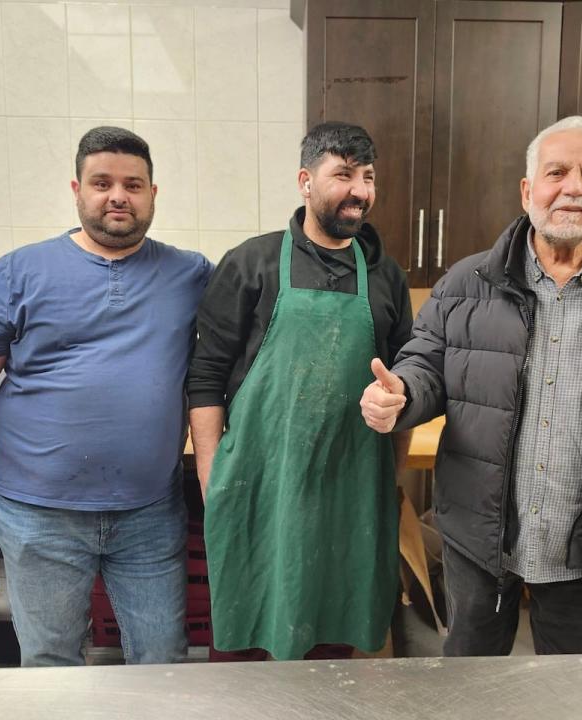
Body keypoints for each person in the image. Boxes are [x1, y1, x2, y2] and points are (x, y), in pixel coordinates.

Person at [360, 116, 582, 655]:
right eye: (556, 172)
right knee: (471, 690)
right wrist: (399, 395)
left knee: (569, 698)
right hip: (480, 542)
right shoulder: (465, 285)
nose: (572, 188)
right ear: (528, 190)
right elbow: (424, 366)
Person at [0, 126, 213, 666]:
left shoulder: (190, 274)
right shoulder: (17, 272)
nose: (118, 195)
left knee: (165, 662)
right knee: (50, 663)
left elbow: (234, 352)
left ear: (152, 194)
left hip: (149, 509)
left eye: (133, 184)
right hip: (39, 514)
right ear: (77, 189)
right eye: (102, 182)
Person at [188, 121, 413, 661]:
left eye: (368, 176)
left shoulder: (386, 276)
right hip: (260, 485)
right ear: (305, 182)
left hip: (352, 489)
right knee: (248, 648)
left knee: (331, 649)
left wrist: (388, 482)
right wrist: (214, 481)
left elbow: (406, 388)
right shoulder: (253, 263)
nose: (360, 189)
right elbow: (205, 379)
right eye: (343, 174)